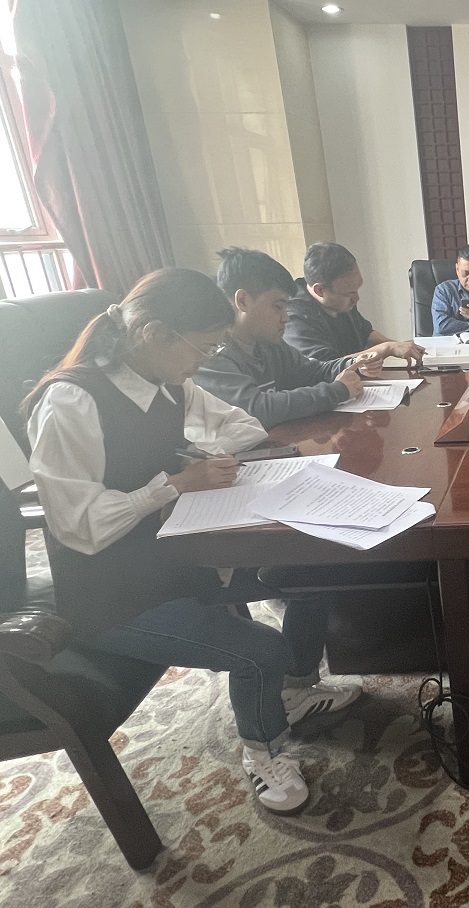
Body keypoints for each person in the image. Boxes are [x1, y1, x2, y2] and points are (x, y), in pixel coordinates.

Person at [23, 268, 359, 816]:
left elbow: (244, 426)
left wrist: (199, 456)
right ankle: (265, 751)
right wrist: (174, 483)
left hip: (177, 555)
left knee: (310, 574)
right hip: (112, 597)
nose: (206, 361)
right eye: (203, 347)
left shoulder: (168, 382)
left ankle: (296, 692)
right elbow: (78, 527)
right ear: (154, 334)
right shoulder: (70, 403)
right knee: (260, 651)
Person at [197, 247, 385, 429]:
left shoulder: (268, 344)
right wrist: (337, 391)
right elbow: (257, 410)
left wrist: (353, 364)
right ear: (243, 301)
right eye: (278, 307)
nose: (286, 318)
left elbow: (313, 372)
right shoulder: (210, 353)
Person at [285, 242, 424, 365]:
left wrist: (397, 345)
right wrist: (387, 348)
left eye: (357, 289)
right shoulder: (293, 319)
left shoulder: (339, 301)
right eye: (349, 293)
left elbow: (365, 334)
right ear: (320, 290)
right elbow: (327, 367)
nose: (356, 298)